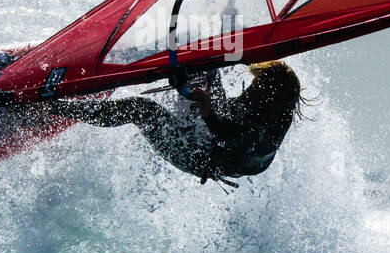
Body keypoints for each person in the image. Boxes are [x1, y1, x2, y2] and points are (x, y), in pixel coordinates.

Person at [50, 61, 303, 185]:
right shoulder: (274, 103)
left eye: (259, 85)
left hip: (196, 157)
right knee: (210, 73)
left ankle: (55, 107)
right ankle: (181, 68)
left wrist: (207, 111)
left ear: (272, 93)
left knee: (141, 110)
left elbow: (231, 134)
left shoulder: (267, 125)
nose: (252, 88)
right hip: (216, 143)